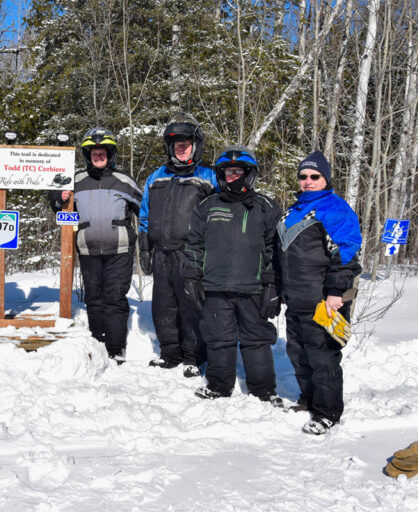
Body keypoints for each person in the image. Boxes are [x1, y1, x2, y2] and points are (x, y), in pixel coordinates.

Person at [184, 146, 283, 406]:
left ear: (249, 174)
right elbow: (194, 243)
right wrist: (192, 276)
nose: (233, 177)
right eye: (228, 172)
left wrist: (273, 285)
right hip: (215, 286)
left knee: (256, 339)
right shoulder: (207, 206)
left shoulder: (266, 207)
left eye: (238, 171)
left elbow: (275, 249)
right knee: (219, 337)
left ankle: (263, 390)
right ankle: (218, 385)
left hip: (254, 288)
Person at [277, 150, 361, 434]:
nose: (308, 181)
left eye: (315, 176)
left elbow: (346, 253)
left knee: (323, 356)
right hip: (296, 297)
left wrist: (336, 292)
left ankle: (328, 412)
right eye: (303, 176)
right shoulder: (293, 211)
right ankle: (309, 398)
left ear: (325, 178)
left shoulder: (335, 209)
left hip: (324, 300)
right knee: (298, 352)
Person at [49, 128, 142, 363]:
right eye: (94, 153)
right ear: (87, 156)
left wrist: (148, 238)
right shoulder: (77, 180)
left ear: (110, 155)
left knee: (115, 297)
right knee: (94, 297)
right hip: (88, 249)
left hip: (119, 249)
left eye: (102, 153)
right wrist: (58, 197)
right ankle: (98, 343)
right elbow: (55, 203)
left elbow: (145, 209)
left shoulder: (124, 181)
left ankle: (115, 348)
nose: (98, 157)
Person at [138, 112, 218, 376]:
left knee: (192, 305)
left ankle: (194, 356)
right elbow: (145, 215)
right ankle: (170, 352)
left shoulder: (208, 177)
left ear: (195, 146)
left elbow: (220, 215)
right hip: (162, 252)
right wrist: (144, 246)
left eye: (186, 144)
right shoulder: (156, 177)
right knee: (164, 305)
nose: (181, 149)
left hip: (192, 254)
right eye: (176, 145)